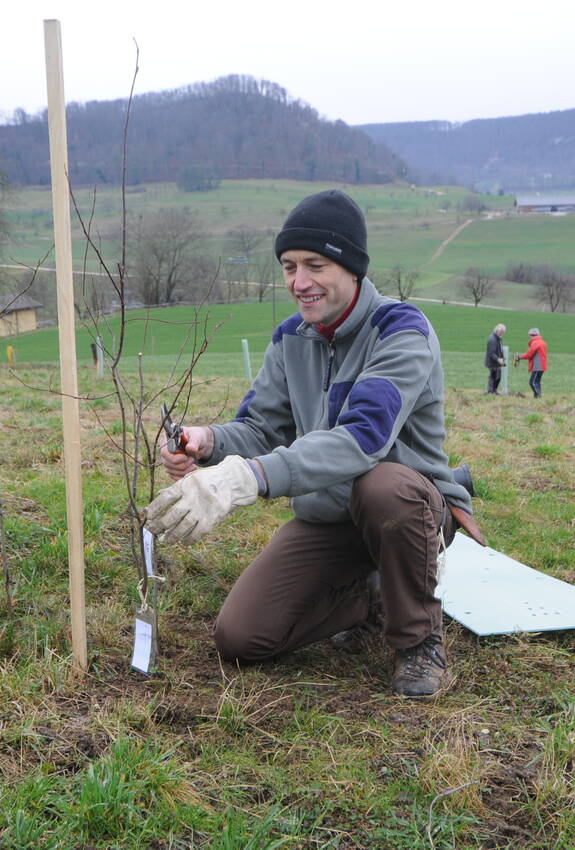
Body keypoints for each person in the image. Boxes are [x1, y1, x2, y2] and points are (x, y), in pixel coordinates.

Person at [146, 189, 481, 698]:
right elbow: (261, 428)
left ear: (352, 268)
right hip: (329, 514)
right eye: (288, 266)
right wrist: (207, 441)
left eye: (315, 265)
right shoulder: (291, 339)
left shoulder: (401, 331)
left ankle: (418, 641)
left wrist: (248, 478)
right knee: (242, 637)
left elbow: (361, 438)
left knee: (383, 485)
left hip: (403, 509)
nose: (299, 283)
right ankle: (367, 597)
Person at [514, 328, 547, 398]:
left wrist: (519, 357)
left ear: (531, 335)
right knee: (537, 382)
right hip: (542, 365)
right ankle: (536, 397)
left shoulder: (535, 343)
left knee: (532, 382)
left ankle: (538, 396)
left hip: (538, 366)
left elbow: (529, 354)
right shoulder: (542, 341)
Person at [484, 323, 506, 394]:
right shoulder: (492, 339)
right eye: (501, 332)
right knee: (493, 376)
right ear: (497, 331)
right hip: (492, 362)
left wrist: (502, 359)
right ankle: (491, 391)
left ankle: (494, 390)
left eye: (503, 332)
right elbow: (491, 353)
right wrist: (498, 359)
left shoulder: (498, 338)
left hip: (497, 361)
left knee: (498, 377)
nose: (503, 333)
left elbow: (500, 349)